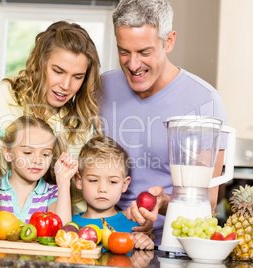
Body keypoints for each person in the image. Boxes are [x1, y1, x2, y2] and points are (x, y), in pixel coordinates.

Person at [0, 21, 101, 220]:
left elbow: (78, 199)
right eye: (58, 71)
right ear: (39, 64)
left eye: (77, 76)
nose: (65, 85)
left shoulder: (78, 124)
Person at [99, 0, 228, 245]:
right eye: (124, 51)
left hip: (170, 246)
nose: (133, 64)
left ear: (169, 41)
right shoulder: (101, 88)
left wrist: (161, 204)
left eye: (144, 52)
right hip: (104, 240)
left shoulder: (204, 101)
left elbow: (208, 201)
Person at [0, 116, 78, 223]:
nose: (37, 160)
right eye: (28, 152)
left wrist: (63, 182)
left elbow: (62, 231)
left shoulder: (54, 193)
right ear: (7, 153)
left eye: (45, 154)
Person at [72, 135, 155, 250]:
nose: (102, 189)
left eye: (112, 181)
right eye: (94, 180)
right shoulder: (70, 226)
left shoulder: (136, 228)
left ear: (124, 184)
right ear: (79, 181)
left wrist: (146, 245)